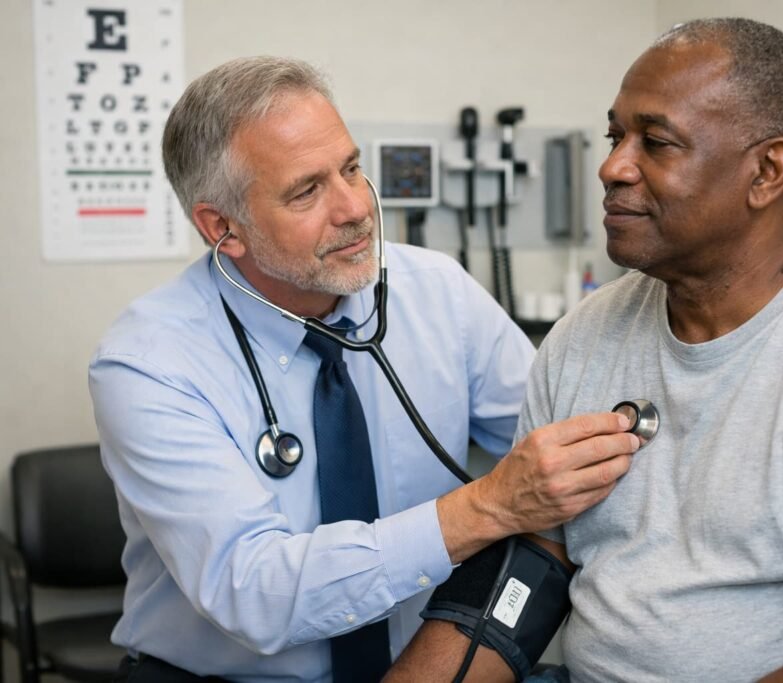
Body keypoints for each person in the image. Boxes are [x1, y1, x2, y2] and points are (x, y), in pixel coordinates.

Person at [395, 18, 783, 682]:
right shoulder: (584, 337)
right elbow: (523, 580)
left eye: (656, 143)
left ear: (767, 171)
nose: (612, 167)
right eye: (615, 137)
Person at [89, 56, 639, 681]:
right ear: (224, 228)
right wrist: (487, 507)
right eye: (306, 191)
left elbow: (563, 447)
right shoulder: (148, 362)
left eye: (350, 168)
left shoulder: (437, 292)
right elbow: (254, 592)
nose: (354, 208)